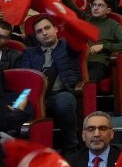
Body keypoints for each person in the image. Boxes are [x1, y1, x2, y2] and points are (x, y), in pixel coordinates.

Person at [19, 16, 80, 152]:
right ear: (36, 36)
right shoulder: (29, 53)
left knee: (63, 101)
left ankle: (71, 147)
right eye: (39, 31)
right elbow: (26, 80)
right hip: (36, 96)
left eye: (47, 28)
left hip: (62, 93)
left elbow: (80, 41)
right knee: (16, 108)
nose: (44, 33)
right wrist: (18, 102)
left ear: (56, 29)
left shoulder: (68, 46)